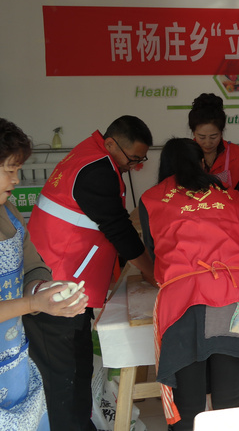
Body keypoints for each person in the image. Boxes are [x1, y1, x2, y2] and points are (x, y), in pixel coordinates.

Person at [25, 115, 156, 431]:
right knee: (65, 376)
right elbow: (118, 229)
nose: (135, 167)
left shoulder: (94, 155)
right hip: (57, 286)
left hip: (65, 279)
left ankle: (81, 423)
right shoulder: (97, 169)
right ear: (111, 143)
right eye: (133, 159)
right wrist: (153, 273)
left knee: (79, 367)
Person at [138, 138, 239, 430]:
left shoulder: (152, 198)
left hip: (183, 303)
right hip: (234, 297)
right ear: (202, 163)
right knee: (229, 399)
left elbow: (154, 250)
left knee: (189, 403)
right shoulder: (230, 196)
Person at [0, 118, 89, 431]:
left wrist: (43, 289)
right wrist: (33, 304)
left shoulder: (9, 211)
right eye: (9, 169)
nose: (16, 178)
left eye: (18, 169)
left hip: (13, 359)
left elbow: (31, 265)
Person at [189, 93, 239, 200]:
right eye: (202, 137)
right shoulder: (185, 154)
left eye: (213, 137)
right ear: (193, 132)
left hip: (228, 209)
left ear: (221, 132)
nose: (208, 143)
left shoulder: (236, 154)